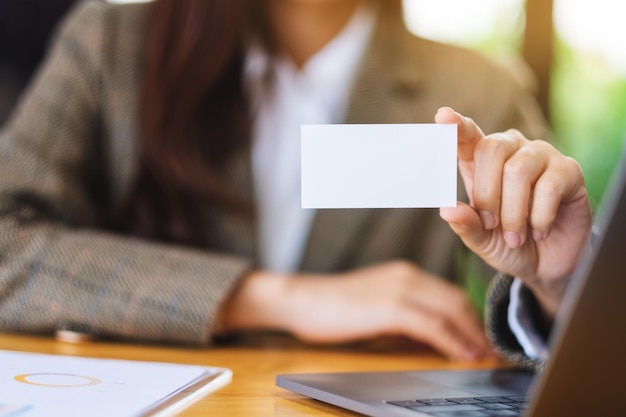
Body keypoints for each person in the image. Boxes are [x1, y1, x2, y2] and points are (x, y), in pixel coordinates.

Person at [0, 0, 592, 366]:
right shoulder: (110, 45)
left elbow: (579, 347)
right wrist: (278, 297)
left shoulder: (477, 89)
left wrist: (559, 286)